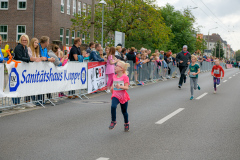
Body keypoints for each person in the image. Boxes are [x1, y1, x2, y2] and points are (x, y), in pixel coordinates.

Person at [109, 61, 130, 132]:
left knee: (124, 112)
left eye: (117, 66)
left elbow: (126, 87)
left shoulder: (125, 77)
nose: (115, 67)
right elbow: (113, 86)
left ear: (121, 69)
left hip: (123, 96)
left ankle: (126, 123)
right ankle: (113, 121)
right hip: (115, 95)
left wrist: (120, 86)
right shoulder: (114, 76)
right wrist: (112, 88)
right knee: (113, 106)